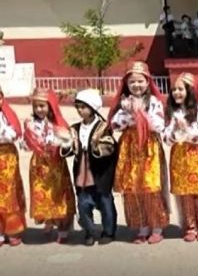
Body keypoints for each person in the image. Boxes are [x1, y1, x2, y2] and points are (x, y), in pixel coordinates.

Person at [109, 61, 169, 244]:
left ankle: (157, 227)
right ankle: (142, 227)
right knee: (133, 188)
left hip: (149, 148)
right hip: (130, 150)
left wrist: (139, 114)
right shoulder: (124, 102)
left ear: (148, 82)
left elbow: (159, 125)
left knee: (151, 187)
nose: (136, 85)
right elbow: (115, 124)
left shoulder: (154, 103)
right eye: (132, 82)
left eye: (140, 81)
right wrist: (129, 113)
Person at [59, 89, 117, 246]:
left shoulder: (103, 127)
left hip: (100, 171)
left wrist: (97, 148)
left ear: (93, 108)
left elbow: (110, 145)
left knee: (105, 202)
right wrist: (67, 144)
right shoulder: (74, 128)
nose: (80, 110)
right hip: (82, 171)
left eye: (83, 107)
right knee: (83, 203)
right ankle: (90, 231)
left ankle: (109, 232)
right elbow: (69, 148)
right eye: (77, 107)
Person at [163, 73, 198, 242]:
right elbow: (165, 138)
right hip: (179, 158)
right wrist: (175, 131)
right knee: (184, 193)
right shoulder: (172, 111)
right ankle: (190, 227)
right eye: (174, 89)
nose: (176, 93)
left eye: (180, 89)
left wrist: (187, 129)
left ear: (190, 91)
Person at [22, 88, 75, 244]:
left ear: (50, 106)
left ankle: (63, 229)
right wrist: (29, 140)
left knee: (58, 195)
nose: (39, 109)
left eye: (42, 106)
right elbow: (25, 145)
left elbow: (68, 142)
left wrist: (58, 141)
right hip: (39, 165)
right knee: (42, 194)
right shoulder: (30, 124)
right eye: (36, 106)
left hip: (56, 165)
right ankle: (48, 220)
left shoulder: (57, 124)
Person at [0, 85, 26, 246]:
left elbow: (15, 132)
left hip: (7, 157)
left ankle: (13, 230)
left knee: (9, 193)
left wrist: (5, 133)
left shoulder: (7, 114)